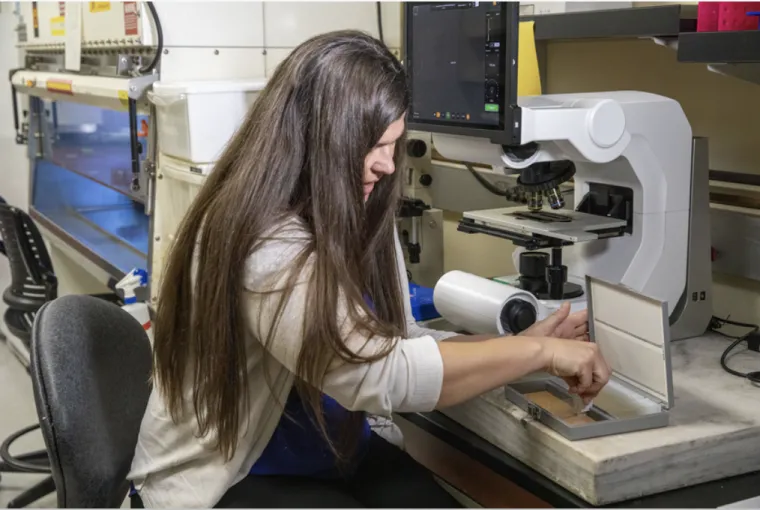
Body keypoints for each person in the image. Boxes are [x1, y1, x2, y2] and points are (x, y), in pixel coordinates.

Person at [127, 30, 610, 508]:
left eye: (392, 144)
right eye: (370, 144)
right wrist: (539, 354)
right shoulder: (264, 238)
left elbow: (396, 345)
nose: (384, 166)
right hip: (235, 471)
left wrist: (517, 347)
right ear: (318, 137)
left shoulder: (354, 213)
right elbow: (376, 374)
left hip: (333, 450)